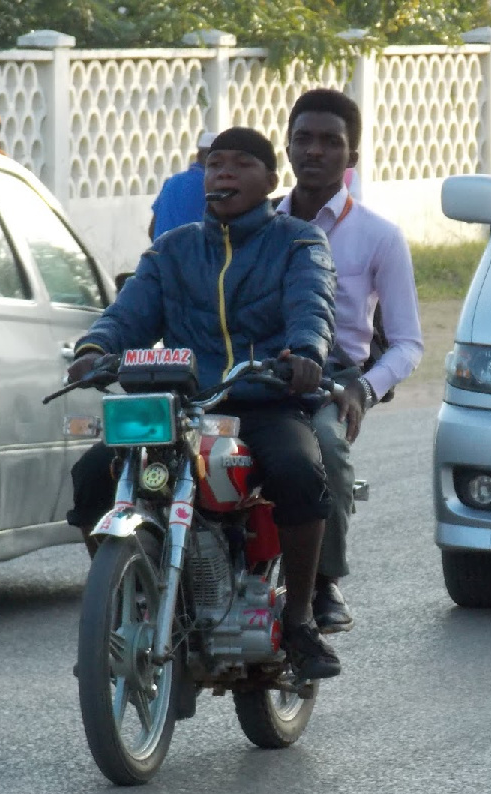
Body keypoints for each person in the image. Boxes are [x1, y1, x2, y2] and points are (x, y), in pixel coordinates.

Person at [65, 127, 343, 680]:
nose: (224, 174)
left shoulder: (298, 242)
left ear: (270, 180)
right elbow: (128, 313)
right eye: (216, 164)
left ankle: (299, 618)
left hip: (265, 399)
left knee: (296, 468)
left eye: (241, 164)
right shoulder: (172, 250)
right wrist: (95, 348)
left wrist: (306, 353)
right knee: (94, 471)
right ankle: (129, 600)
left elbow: (313, 305)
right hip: (185, 404)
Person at [277, 88, 424, 634]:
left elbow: (409, 343)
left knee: (326, 453)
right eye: (303, 139)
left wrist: (363, 389)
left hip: (335, 379)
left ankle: (322, 582)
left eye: (330, 142)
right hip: (263, 371)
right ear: (288, 149)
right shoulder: (261, 226)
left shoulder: (379, 237)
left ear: (351, 159)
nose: (315, 151)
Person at [149, 130, 217, 240]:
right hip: (192, 254)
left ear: (198, 155)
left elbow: (152, 231)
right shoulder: (214, 185)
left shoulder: (172, 181)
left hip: (161, 253)